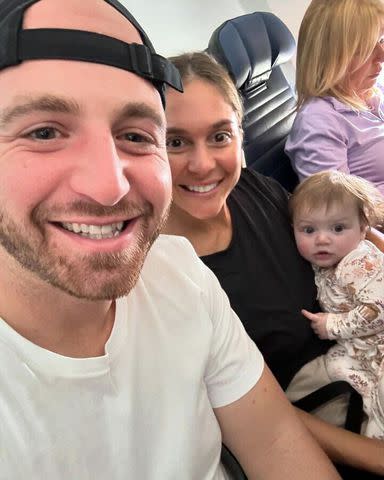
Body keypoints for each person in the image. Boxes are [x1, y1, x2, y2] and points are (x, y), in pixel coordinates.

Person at [0, 1, 343, 479]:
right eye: (44, 131)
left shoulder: (177, 270)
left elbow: (275, 441)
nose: (110, 185)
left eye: (136, 136)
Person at [163, 50, 384, 476]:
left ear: (240, 135)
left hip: (361, 355)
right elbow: (249, 412)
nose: (203, 163)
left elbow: (337, 236)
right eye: (176, 142)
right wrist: (372, 455)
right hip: (325, 421)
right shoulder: (163, 275)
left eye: (220, 136)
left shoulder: (256, 189)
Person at [289, 170, 384, 439]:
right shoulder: (327, 262)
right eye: (308, 230)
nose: (322, 239)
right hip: (358, 348)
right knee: (321, 376)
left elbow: (378, 310)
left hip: (374, 341)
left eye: (338, 228)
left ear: (363, 228)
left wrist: (333, 325)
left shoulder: (358, 262)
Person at [285, 0, 384, 195]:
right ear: (331, 56)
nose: (382, 55)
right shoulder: (318, 123)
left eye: (381, 40)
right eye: (365, 48)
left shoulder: (372, 89)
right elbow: (340, 216)